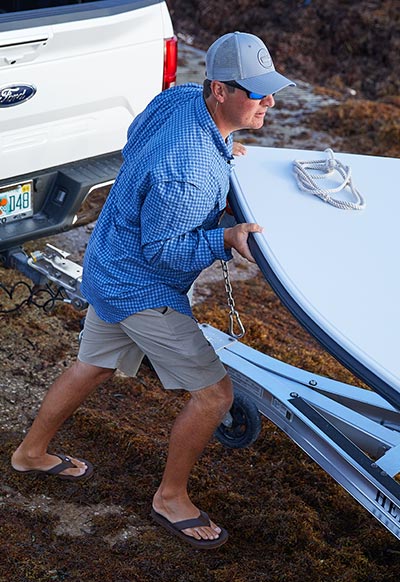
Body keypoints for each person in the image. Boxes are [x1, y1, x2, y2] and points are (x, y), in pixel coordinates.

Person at [11, 31, 295, 549]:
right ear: (220, 90)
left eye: (269, 89)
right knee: (214, 395)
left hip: (108, 259)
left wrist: (224, 148)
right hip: (143, 286)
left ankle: (30, 454)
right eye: (257, 93)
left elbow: (135, 137)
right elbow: (165, 251)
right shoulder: (187, 168)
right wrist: (224, 237)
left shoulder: (181, 99)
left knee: (91, 365)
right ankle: (170, 498)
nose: (270, 101)